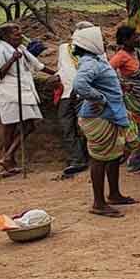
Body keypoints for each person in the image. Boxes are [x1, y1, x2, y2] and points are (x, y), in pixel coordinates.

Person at [70, 26, 135, 217]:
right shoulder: (90, 62)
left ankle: (113, 194)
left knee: (113, 155)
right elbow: (79, 84)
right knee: (99, 158)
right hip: (101, 116)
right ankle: (98, 203)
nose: (105, 42)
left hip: (108, 114)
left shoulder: (95, 60)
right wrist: (99, 98)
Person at [0, 23, 51, 177]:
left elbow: (38, 65)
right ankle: (8, 160)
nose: (20, 37)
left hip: (24, 92)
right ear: (5, 36)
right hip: (10, 93)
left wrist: (56, 73)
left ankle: (8, 159)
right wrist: (11, 60)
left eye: (20, 33)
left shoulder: (21, 48)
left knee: (26, 126)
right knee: (13, 128)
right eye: (16, 34)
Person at [107, 25, 140, 175]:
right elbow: (107, 72)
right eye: (134, 37)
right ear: (125, 40)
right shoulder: (121, 56)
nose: (138, 39)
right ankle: (139, 162)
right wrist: (122, 84)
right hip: (136, 100)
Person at [55, 21, 92, 177]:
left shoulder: (94, 51)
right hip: (66, 91)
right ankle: (77, 159)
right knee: (67, 127)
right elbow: (61, 67)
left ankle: (86, 157)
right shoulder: (64, 48)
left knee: (86, 126)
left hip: (84, 93)